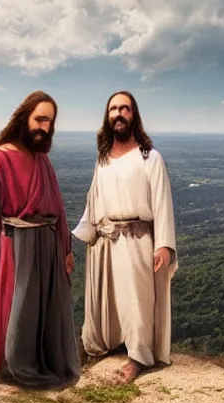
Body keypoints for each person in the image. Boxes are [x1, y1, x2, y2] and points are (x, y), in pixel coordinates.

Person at [0, 90, 80, 389]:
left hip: (48, 245)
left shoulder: (43, 160)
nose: (45, 127)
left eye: (50, 122)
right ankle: (16, 366)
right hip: (17, 245)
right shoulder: (1, 157)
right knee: (19, 306)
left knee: (46, 307)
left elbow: (57, 208)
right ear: (25, 118)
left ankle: (43, 362)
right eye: (40, 119)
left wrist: (66, 248)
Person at [72, 90, 178, 384]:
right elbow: (93, 198)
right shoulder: (103, 159)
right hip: (106, 239)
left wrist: (164, 245)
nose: (119, 114)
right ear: (107, 117)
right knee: (109, 299)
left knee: (136, 300)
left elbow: (162, 201)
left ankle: (138, 357)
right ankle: (108, 345)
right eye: (113, 109)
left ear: (134, 115)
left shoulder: (150, 158)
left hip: (137, 238)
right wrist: (89, 233)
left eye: (125, 109)